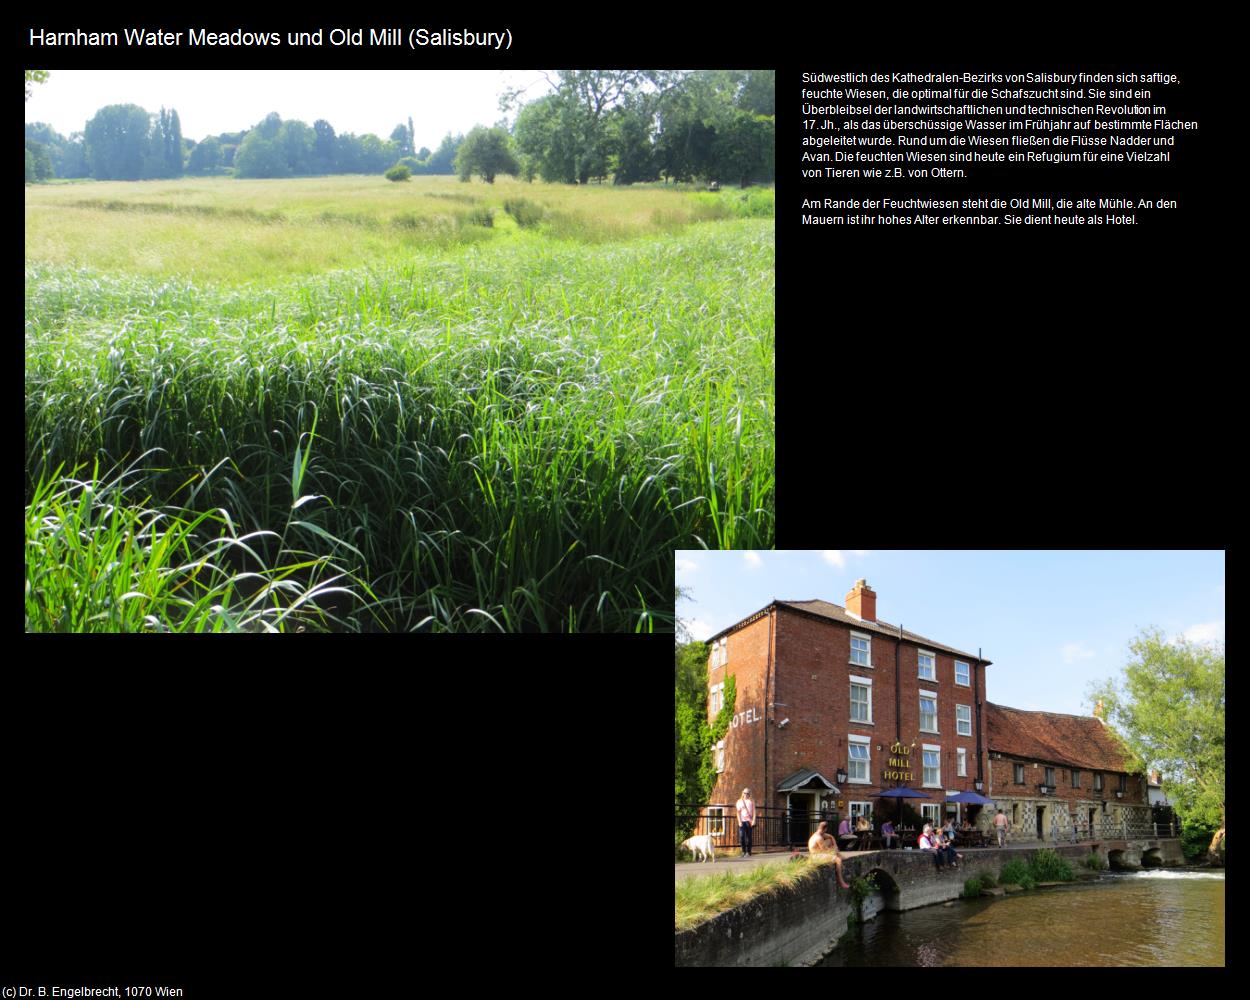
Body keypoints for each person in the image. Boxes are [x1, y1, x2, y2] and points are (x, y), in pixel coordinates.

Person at [808, 821, 852, 889]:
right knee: (838, 860)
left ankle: (839, 855)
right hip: (816, 856)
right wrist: (834, 850)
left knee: (829, 840)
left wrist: (835, 846)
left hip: (820, 852)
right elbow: (825, 851)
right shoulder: (818, 838)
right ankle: (840, 881)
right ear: (825, 829)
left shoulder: (820, 833)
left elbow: (831, 837)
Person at [735, 788, 756, 858]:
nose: (746, 794)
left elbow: (754, 811)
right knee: (741, 837)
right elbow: (738, 812)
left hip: (749, 821)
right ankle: (743, 851)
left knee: (749, 837)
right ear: (742, 793)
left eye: (747, 793)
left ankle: (748, 852)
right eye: (744, 793)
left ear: (749, 794)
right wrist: (739, 821)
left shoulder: (751, 801)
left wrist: (753, 820)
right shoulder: (739, 801)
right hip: (742, 821)